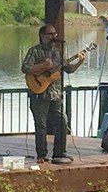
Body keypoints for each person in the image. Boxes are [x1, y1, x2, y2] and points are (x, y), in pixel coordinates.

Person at [21, 24, 87, 164]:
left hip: (55, 95)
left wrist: (80, 61)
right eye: (50, 34)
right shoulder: (34, 51)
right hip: (39, 94)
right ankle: (42, 155)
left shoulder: (57, 52)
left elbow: (68, 69)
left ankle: (60, 153)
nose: (53, 37)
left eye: (54, 34)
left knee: (62, 122)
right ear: (42, 36)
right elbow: (25, 68)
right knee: (41, 126)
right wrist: (42, 66)